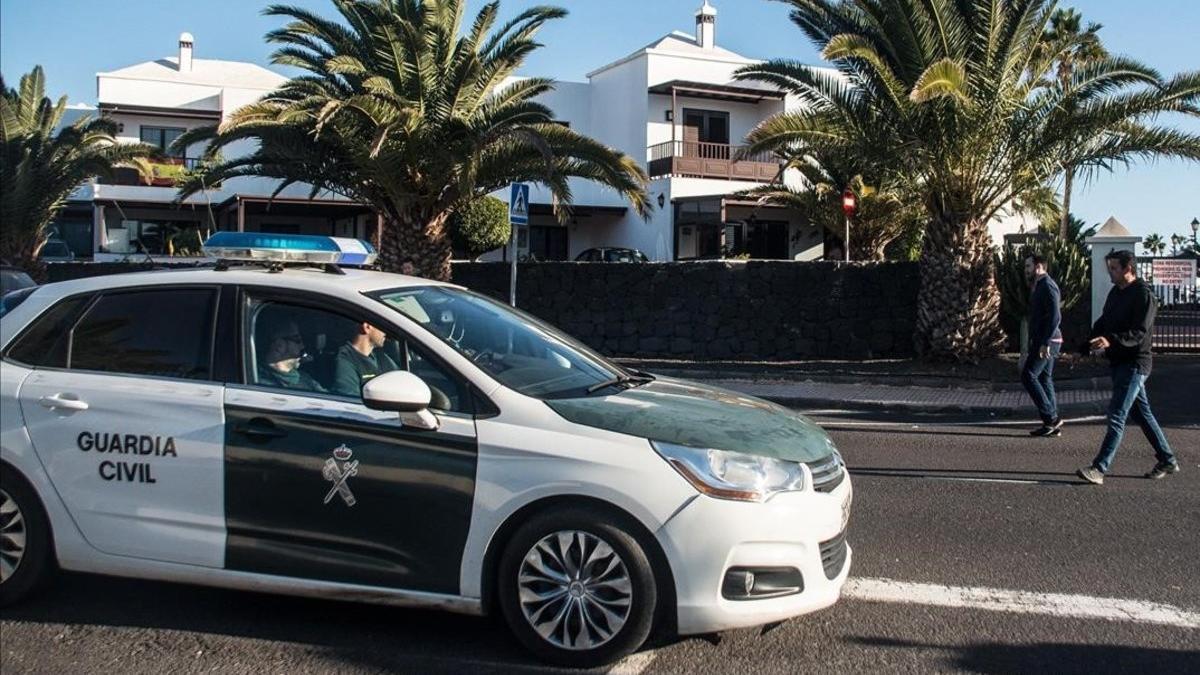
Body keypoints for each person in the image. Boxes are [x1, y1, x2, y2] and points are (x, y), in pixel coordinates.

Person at [1076, 250, 1178, 485]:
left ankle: (1099, 468)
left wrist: (1111, 340)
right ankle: (1167, 459)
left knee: (1117, 415)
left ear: (1128, 269)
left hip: (1135, 363)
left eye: (1114, 268)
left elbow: (1139, 333)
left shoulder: (1144, 296)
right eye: (1109, 268)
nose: (1110, 273)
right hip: (1119, 362)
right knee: (1142, 413)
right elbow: (1103, 323)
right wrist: (1084, 347)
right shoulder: (1116, 293)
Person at [1022, 254, 1064, 437]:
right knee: (1044, 378)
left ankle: (1051, 417)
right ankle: (1051, 424)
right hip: (1044, 339)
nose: (1026, 270)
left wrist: (1045, 342)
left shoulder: (1048, 285)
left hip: (1048, 341)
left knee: (1028, 375)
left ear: (1038, 266)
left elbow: (1056, 316)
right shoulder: (1038, 285)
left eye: (1028, 266)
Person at [257, 316, 326, 393]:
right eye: (297, 340)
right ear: (279, 345)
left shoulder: (305, 378)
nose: (302, 346)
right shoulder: (261, 384)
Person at [332, 321, 400, 397]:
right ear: (367, 327)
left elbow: (401, 380)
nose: (386, 332)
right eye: (382, 326)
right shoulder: (345, 361)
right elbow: (351, 402)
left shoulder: (381, 357)